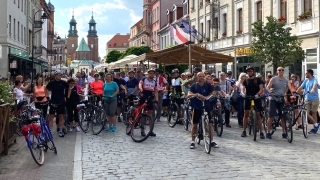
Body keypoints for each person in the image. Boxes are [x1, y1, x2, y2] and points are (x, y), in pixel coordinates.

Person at [188, 72, 219, 149]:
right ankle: (192, 141)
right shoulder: (194, 86)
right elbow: (189, 94)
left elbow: (213, 93)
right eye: (199, 76)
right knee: (194, 124)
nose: (201, 78)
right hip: (196, 106)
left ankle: (212, 141)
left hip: (206, 106)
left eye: (202, 76)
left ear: (204, 77)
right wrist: (196, 94)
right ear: (196, 77)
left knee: (210, 124)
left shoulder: (207, 85)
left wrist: (208, 96)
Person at [265, 67, 295, 139]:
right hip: (274, 98)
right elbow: (267, 87)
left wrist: (293, 93)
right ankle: (268, 131)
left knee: (283, 116)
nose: (281, 71)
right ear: (277, 71)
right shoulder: (274, 79)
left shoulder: (286, 80)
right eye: (279, 70)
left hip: (281, 98)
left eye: (282, 70)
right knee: (271, 115)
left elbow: (290, 88)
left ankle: (284, 132)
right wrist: (270, 92)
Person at [240, 66, 265, 139]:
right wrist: (243, 94)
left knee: (258, 115)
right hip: (248, 97)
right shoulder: (246, 80)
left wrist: (258, 94)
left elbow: (261, 89)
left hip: (256, 97)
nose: (250, 72)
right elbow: (242, 89)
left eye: (251, 71)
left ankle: (261, 132)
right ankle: (244, 131)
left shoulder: (258, 80)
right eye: (248, 71)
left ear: (253, 71)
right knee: (246, 114)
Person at [46, 70, 69, 137]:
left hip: (61, 101)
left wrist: (67, 96)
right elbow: (46, 88)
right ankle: (49, 131)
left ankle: (60, 130)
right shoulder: (52, 82)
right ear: (55, 75)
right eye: (57, 75)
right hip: (53, 101)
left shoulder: (64, 82)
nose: (59, 76)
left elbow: (69, 88)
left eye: (60, 75)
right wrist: (47, 96)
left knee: (61, 116)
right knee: (51, 116)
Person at [296, 69, 320, 134]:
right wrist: (296, 91)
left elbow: (315, 86)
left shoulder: (315, 80)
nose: (305, 74)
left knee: (314, 113)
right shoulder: (306, 80)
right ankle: (316, 124)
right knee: (306, 113)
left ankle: (314, 128)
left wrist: (312, 90)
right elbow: (301, 87)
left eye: (306, 73)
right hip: (307, 99)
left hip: (315, 99)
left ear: (309, 73)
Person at [138, 68, 158, 137]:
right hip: (144, 95)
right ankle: (142, 130)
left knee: (150, 115)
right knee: (143, 114)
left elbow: (155, 90)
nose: (152, 74)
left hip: (150, 97)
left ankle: (151, 130)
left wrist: (157, 98)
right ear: (148, 73)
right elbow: (140, 84)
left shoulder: (154, 81)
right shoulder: (144, 79)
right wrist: (141, 89)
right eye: (150, 73)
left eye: (153, 73)